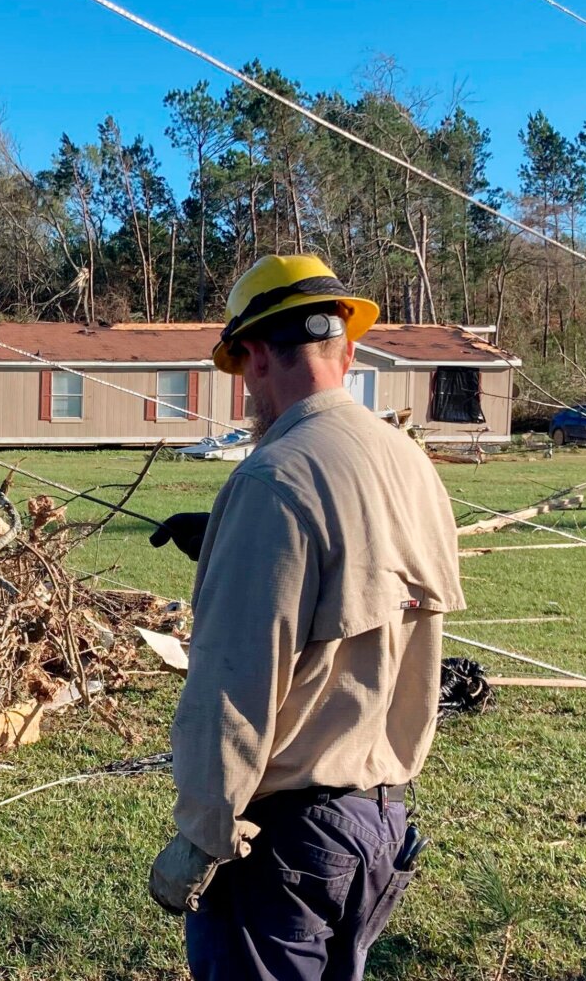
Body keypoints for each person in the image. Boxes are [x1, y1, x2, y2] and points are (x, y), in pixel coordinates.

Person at [146, 254, 464, 981]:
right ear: (346, 350)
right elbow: (359, 588)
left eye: (240, 372)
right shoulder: (407, 462)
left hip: (281, 843)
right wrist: (233, 540)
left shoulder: (273, 478)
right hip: (377, 823)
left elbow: (234, 684)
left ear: (254, 356)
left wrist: (201, 835)